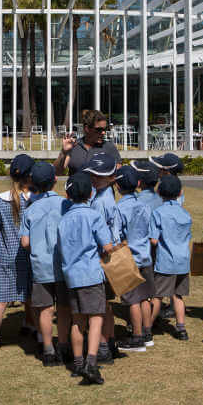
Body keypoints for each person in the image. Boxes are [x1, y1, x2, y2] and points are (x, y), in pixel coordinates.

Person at [59, 172, 118, 385]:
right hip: (91, 274)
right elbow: (107, 245)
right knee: (96, 318)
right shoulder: (94, 216)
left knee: (77, 320)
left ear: (68, 195)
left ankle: (77, 362)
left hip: (71, 276)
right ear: (91, 192)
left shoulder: (63, 219)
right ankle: (91, 363)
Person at [19, 161, 72, 367]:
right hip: (63, 264)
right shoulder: (65, 204)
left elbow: (25, 242)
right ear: (55, 180)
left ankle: (48, 349)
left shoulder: (30, 209)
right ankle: (65, 344)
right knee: (65, 308)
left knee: (45, 309)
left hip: (40, 265)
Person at [0, 154, 34, 356]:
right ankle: (34, 329)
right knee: (30, 296)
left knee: (0, 301)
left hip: (6, 256)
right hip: (29, 255)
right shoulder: (34, 200)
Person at [82, 151, 121, 362]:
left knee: (101, 307)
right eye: (92, 175)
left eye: (99, 176)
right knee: (105, 304)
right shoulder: (105, 195)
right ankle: (110, 341)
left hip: (102, 258)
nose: (94, 179)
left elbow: (100, 234)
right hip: (108, 255)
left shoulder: (100, 202)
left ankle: (104, 345)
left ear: (111, 177)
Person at [111, 166, 155, 352]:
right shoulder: (145, 205)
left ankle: (136, 337)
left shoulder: (119, 208)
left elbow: (116, 234)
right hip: (145, 256)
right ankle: (147, 332)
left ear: (117, 186)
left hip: (129, 258)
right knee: (144, 297)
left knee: (132, 300)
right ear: (138, 183)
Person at [148, 175, 192, 341]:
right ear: (180, 192)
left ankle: (148, 326)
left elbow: (154, 239)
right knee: (177, 295)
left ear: (159, 192)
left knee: (157, 296)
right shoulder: (185, 213)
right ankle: (181, 328)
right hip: (183, 261)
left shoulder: (158, 213)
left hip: (165, 261)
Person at [55, 108, 121, 176]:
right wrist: (63, 152)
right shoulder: (74, 146)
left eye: (105, 129)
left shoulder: (109, 147)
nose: (103, 132)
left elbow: (118, 173)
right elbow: (58, 172)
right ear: (87, 128)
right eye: (99, 129)